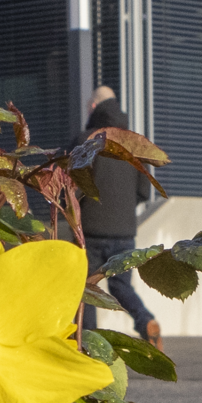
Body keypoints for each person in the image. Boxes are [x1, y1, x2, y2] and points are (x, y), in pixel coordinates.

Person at [76, 84, 165, 346]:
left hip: (91, 231)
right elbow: (143, 192)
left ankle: (87, 344)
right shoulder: (133, 143)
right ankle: (144, 319)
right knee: (121, 287)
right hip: (125, 232)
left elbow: (73, 185)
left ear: (93, 107)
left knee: (85, 288)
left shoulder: (87, 140)